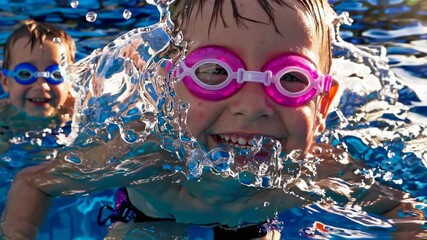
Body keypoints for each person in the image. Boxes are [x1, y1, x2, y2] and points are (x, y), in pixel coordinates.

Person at [1, 1, 424, 239]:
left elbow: (403, 210)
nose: (252, 106)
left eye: (290, 79)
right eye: (215, 73)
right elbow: (33, 182)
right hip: (152, 219)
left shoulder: (312, 171)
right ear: (169, 88)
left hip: (254, 221)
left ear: (324, 101)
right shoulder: (146, 156)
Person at [0, 20, 75, 135]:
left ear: (71, 81)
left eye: (56, 74)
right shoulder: (2, 113)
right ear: (5, 82)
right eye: (25, 74)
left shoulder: (80, 112)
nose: (41, 86)